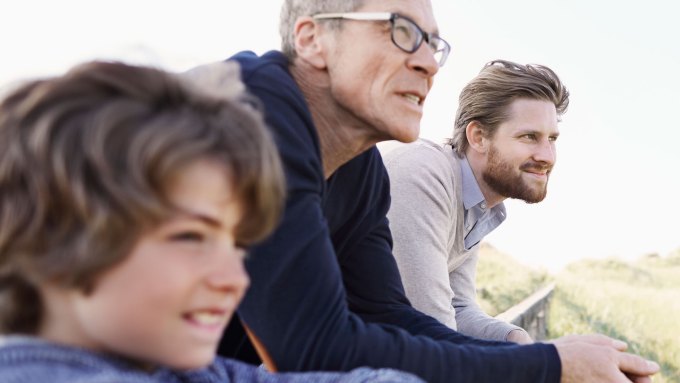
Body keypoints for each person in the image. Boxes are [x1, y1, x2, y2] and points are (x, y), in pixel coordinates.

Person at [212, 0, 660, 382]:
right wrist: (549, 365)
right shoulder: (256, 114)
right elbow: (312, 346)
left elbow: (388, 313)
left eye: (433, 44)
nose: (428, 63)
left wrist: (536, 354)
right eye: (401, 31)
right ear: (312, 39)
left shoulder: (361, 169)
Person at [0, 60, 424, 383]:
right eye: (191, 237)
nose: (235, 280)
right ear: (56, 237)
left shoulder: (159, 360)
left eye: (237, 245)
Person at [383, 60, 568, 344]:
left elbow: (458, 308)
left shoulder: (477, 204)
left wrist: (516, 340)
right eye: (529, 137)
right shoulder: (423, 176)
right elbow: (431, 328)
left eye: (552, 138)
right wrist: (544, 363)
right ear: (478, 137)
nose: (547, 156)